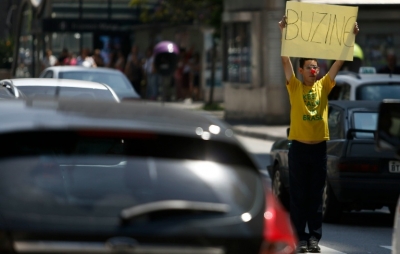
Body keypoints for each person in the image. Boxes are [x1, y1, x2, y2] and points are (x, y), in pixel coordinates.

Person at [278, 15, 359, 253]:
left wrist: (351, 36)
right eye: (309, 67)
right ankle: (299, 238)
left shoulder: (324, 85)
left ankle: (314, 238)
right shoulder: (293, 86)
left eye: (316, 67)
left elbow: (339, 63)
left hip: (318, 149)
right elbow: (284, 60)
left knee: (316, 196)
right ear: (301, 70)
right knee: (298, 196)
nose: (314, 70)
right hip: (299, 149)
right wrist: (283, 31)